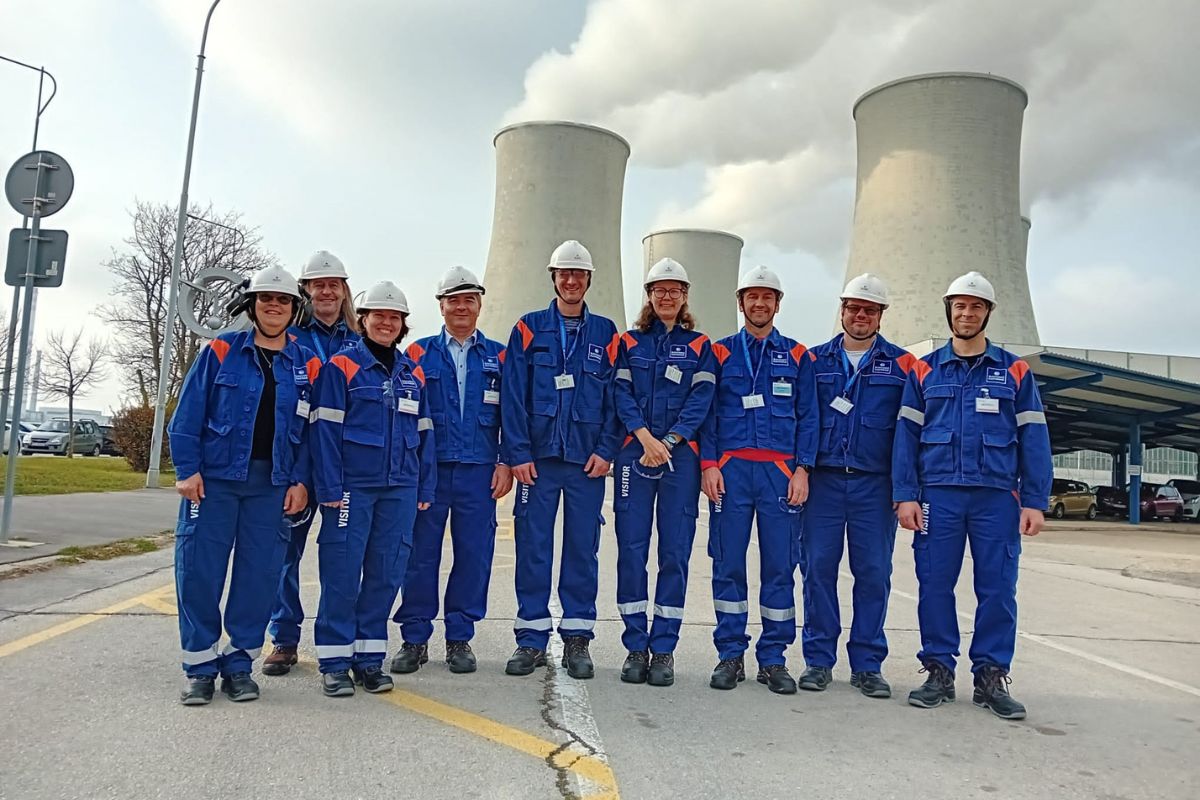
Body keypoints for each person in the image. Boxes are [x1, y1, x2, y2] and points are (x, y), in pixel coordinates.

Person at [893, 271, 1052, 720]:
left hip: (996, 497)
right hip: (938, 495)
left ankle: (990, 676)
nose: (967, 313)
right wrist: (905, 495)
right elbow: (905, 437)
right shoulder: (924, 369)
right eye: (959, 306)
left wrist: (1035, 500)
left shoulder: (1014, 371)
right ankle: (939, 671)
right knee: (934, 585)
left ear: (988, 313)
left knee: (998, 588)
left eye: (976, 306)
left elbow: (1034, 438)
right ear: (949, 311)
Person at [169, 265, 319, 705]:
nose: (274, 306)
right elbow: (188, 414)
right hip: (214, 482)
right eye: (266, 298)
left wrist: (301, 481)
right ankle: (199, 667)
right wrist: (187, 470)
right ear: (251, 305)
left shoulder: (307, 363)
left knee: (259, 576)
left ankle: (239, 665)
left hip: (272, 485)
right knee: (199, 573)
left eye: (283, 300)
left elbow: (311, 433)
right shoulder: (220, 350)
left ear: (295, 309)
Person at [309, 281, 436, 697]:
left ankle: (369, 660)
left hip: (400, 488)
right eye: (379, 315)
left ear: (403, 325)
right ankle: (334, 662)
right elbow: (324, 431)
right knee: (342, 574)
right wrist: (329, 485)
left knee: (386, 574)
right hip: (352, 488)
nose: (387, 323)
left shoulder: (413, 373)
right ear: (363, 320)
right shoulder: (341, 367)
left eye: (395, 317)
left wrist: (424, 485)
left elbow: (425, 432)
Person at [501, 239, 621, 680]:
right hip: (539, 461)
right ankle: (531, 639)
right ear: (553, 278)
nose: (571, 281)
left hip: (586, 462)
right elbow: (512, 395)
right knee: (533, 547)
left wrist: (606, 450)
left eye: (578, 275)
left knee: (582, 550)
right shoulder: (528, 328)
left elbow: (617, 397)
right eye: (564, 274)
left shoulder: (607, 333)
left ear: (589, 280)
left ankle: (577, 638)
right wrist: (517, 453)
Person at [700, 266, 819, 695]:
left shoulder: (799, 356)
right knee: (728, 563)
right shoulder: (719, 353)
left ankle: (773, 658)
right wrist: (709, 465)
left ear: (778, 304)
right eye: (752, 296)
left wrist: (803, 469)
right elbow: (708, 413)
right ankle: (730, 654)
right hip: (731, 471)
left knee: (780, 566)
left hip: (780, 474)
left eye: (767, 297)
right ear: (741, 302)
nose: (759, 303)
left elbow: (810, 416)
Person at [390, 267, 513, 675]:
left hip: (480, 471)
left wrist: (505, 461)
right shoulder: (417, 354)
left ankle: (460, 637)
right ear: (441, 306)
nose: (461, 307)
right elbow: (402, 416)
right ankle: (415, 637)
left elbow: (513, 415)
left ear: (479, 305)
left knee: (474, 556)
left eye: (469, 300)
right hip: (429, 471)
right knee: (419, 555)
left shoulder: (499, 356)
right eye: (453, 300)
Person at [799, 273, 913, 698]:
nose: (860, 315)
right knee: (818, 571)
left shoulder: (903, 366)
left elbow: (908, 434)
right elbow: (803, 419)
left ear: (881, 315)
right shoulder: (813, 361)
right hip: (824, 483)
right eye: (853, 308)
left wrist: (905, 491)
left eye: (869, 309)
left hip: (874, 487)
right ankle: (818, 661)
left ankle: (867, 664)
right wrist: (800, 470)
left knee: (873, 574)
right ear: (842, 310)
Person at [611, 258, 716, 687]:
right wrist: (644, 438)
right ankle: (636, 646)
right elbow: (620, 393)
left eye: (675, 290)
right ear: (649, 296)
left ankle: (664, 649)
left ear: (685, 296)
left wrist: (668, 441)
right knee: (632, 550)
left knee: (674, 553)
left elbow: (701, 399)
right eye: (660, 290)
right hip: (634, 456)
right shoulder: (629, 342)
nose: (667, 297)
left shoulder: (700, 345)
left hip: (679, 459)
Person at [264, 249, 359, 676]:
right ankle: (284, 638)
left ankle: (339, 639)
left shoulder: (360, 340)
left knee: (342, 559)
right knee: (285, 555)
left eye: (333, 284)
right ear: (305, 291)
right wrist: (296, 473)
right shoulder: (289, 339)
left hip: (345, 467)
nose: (326, 292)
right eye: (318, 285)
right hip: (297, 463)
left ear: (344, 291)